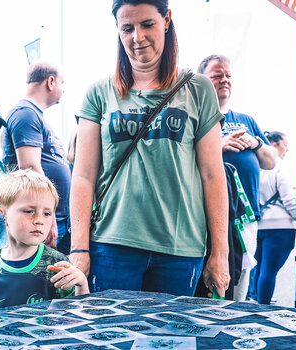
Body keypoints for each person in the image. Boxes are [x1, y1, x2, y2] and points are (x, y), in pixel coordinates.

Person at [70, 0, 230, 298]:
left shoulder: (199, 88)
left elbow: (212, 174)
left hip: (180, 248)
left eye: (147, 25)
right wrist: (79, 248)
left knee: (171, 342)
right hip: (112, 245)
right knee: (110, 339)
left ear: (166, 20)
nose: (137, 37)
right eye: (127, 28)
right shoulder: (99, 93)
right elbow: (83, 176)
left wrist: (220, 253)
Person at [198, 54, 277, 301]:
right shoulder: (198, 117)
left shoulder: (245, 120)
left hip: (246, 217)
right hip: (207, 216)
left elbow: (271, 160)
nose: (225, 80)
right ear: (203, 80)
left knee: (240, 283)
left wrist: (255, 142)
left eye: (228, 76)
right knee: (209, 285)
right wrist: (216, 146)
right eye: (217, 75)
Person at [0, 169, 89, 310]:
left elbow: (75, 318)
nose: (39, 220)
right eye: (29, 211)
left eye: (47, 213)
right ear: (2, 215)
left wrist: (82, 285)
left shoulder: (57, 263)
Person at [2, 61, 72, 254]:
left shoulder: (34, 115)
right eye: (62, 83)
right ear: (51, 82)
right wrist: (47, 219)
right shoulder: (25, 114)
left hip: (51, 218)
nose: (64, 90)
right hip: (39, 221)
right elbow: (30, 168)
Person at [254, 131, 296, 305]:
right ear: (274, 145)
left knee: (259, 270)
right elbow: (290, 199)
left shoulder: (256, 167)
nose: (287, 149)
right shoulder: (281, 167)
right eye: (285, 144)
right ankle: (263, 309)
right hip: (281, 227)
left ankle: (256, 305)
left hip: (259, 226)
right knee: (269, 272)